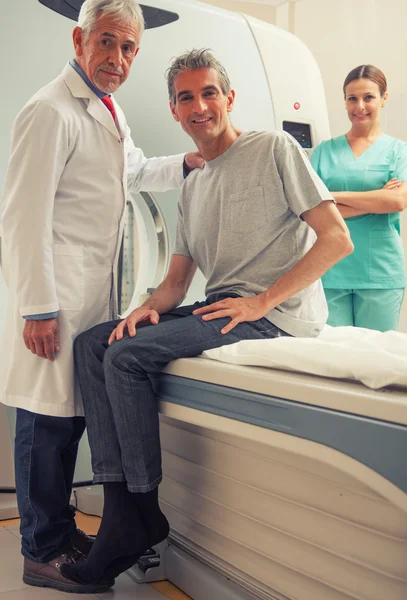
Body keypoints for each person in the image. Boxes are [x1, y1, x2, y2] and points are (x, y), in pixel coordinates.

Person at [60, 48, 353, 587]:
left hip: (275, 313)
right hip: (223, 306)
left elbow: (337, 239)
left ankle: (137, 509)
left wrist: (262, 301)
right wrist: (145, 309)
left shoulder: (274, 148)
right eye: (186, 98)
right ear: (173, 110)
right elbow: (174, 284)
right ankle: (124, 509)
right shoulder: (193, 184)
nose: (200, 106)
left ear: (229, 98)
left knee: (124, 359)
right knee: (93, 344)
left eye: (209, 92)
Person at [0, 0, 202, 594]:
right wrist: (36, 307)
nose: (118, 58)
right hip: (55, 300)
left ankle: (60, 533)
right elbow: (21, 218)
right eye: (108, 42)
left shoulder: (107, 109)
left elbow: (131, 171)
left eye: (129, 48)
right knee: (45, 426)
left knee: (68, 425)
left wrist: (191, 162)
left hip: (90, 296)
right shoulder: (50, 110)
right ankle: (41, 549)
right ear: (79, 38)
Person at [311, 64, 407, 331]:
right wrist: (376, 201)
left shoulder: (399, 151)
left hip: (381, 270)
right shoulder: (324, 151)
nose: (359, 106)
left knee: (375, 360)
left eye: (368, 97)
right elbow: (311, 210)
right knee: (333, 359)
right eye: (352, 98)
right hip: (329, 270)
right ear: (344, 101)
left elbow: (398, 201)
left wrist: (332, 196)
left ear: (383, 98)